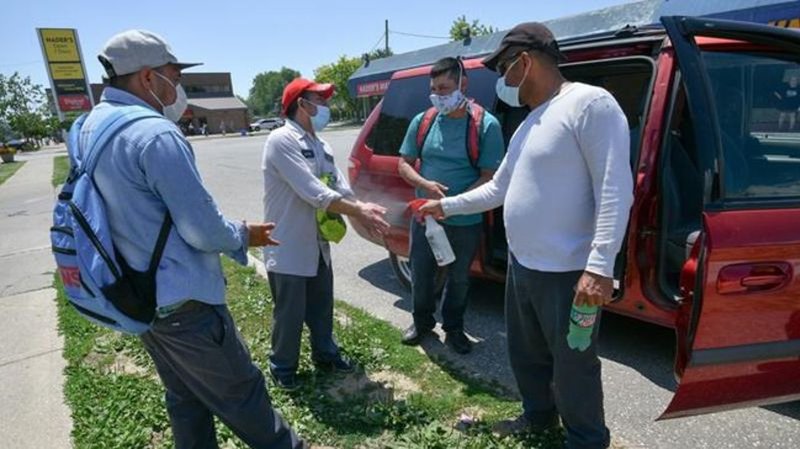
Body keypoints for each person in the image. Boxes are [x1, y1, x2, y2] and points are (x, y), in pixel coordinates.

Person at [420, 22, 633, 449]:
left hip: (568, 273)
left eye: (503, 68)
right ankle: (538, 417)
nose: (502, 79)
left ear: (525, 61)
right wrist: (447, 206)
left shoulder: (590, 104)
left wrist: (599, 266)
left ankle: (587, 439)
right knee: (526, 354)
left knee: (574, 365)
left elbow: (614, 189)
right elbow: (498, 188)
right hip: (523, 267)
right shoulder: (530, 121)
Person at [88, 30, 304, 448]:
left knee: (185, 398)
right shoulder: (154, 134)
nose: (178, 87)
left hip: (139, 295)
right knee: (243, 396)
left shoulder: (91, 127)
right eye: (174, 76)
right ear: (148, 77)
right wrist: (243, 234)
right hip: (185, 306)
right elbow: (201, 229)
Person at [261, 78, 390, 391]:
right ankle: (283, 366)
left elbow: (339, 187)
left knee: (321, 307)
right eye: (319, 99)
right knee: (289, 313)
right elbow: (314, 191)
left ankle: (325, 354)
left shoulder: (322, 146)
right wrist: (359, 211)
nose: (326, 106)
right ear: (301, 104)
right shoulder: (281, 140)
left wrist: (362, 210)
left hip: (318, 243)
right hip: (288, 244)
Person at [397, 57, 504, 354]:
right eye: (433, 89)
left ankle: (454, 328)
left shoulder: (485, 125)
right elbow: (403, 164)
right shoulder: (424, 121)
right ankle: (421, 322)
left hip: (464, 222)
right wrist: (425, 184)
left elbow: (489, 178)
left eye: (444, 88)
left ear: (463, 85)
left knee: (459, 278)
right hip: (425, 218)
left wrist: (450, 205)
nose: (438, 95)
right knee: (421, 272)